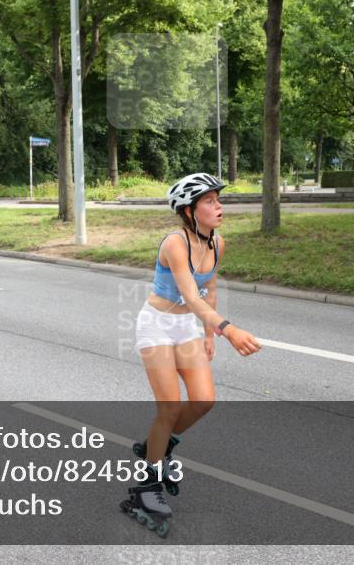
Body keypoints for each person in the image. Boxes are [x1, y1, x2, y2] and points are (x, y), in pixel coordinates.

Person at [121, 172, 262, 537]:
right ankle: (146, 487)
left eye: (218, 200)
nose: (219, 206)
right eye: (210, 201)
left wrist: (207, 334)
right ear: (189, 211)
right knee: (169, 408)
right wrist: (227, 329)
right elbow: (190, 294)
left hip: (186, 326)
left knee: (203, 400)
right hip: (157, 325)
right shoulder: (175, 243)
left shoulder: (217, 243)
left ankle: (157, 446)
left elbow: (209, 288)